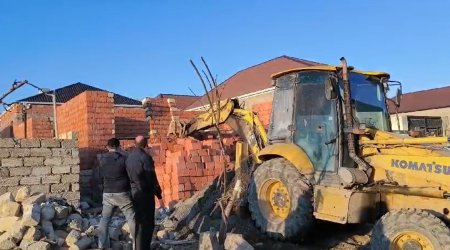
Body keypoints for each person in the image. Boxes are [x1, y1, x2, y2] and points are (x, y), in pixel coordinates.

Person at [126, 135, 165, 250]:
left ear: (134, 144)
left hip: (134, 193)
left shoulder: (129, 158)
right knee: (147, 223)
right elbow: (151, 178)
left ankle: (138, 246)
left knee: (138, 221)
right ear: (146, 144)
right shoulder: (146, 158)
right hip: (145, 194)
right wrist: (159, 194)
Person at [98, 138, 136, 249]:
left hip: (107, 193)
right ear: (119, 146)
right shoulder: (124, 159)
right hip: (122, 192)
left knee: (104, 219)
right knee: (131, 217)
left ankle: (102, 245)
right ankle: (137, 244)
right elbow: (131, 176)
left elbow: (100, 176)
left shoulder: (102, 159)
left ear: (107, 146)